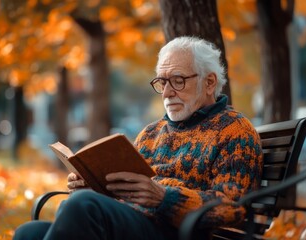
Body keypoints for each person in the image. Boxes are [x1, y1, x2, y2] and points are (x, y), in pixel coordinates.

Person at [13, 36, 263, 240]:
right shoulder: (151, 133)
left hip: (179, 233)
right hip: (137, 224)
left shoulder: (235, 130)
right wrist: (95, 185)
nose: (166, 92)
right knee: (29, 233)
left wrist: (165, 198)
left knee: (82, 206)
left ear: (209, 83)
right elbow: (125, 194)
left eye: (177, 81)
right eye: (162, 82)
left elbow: (232, 206)